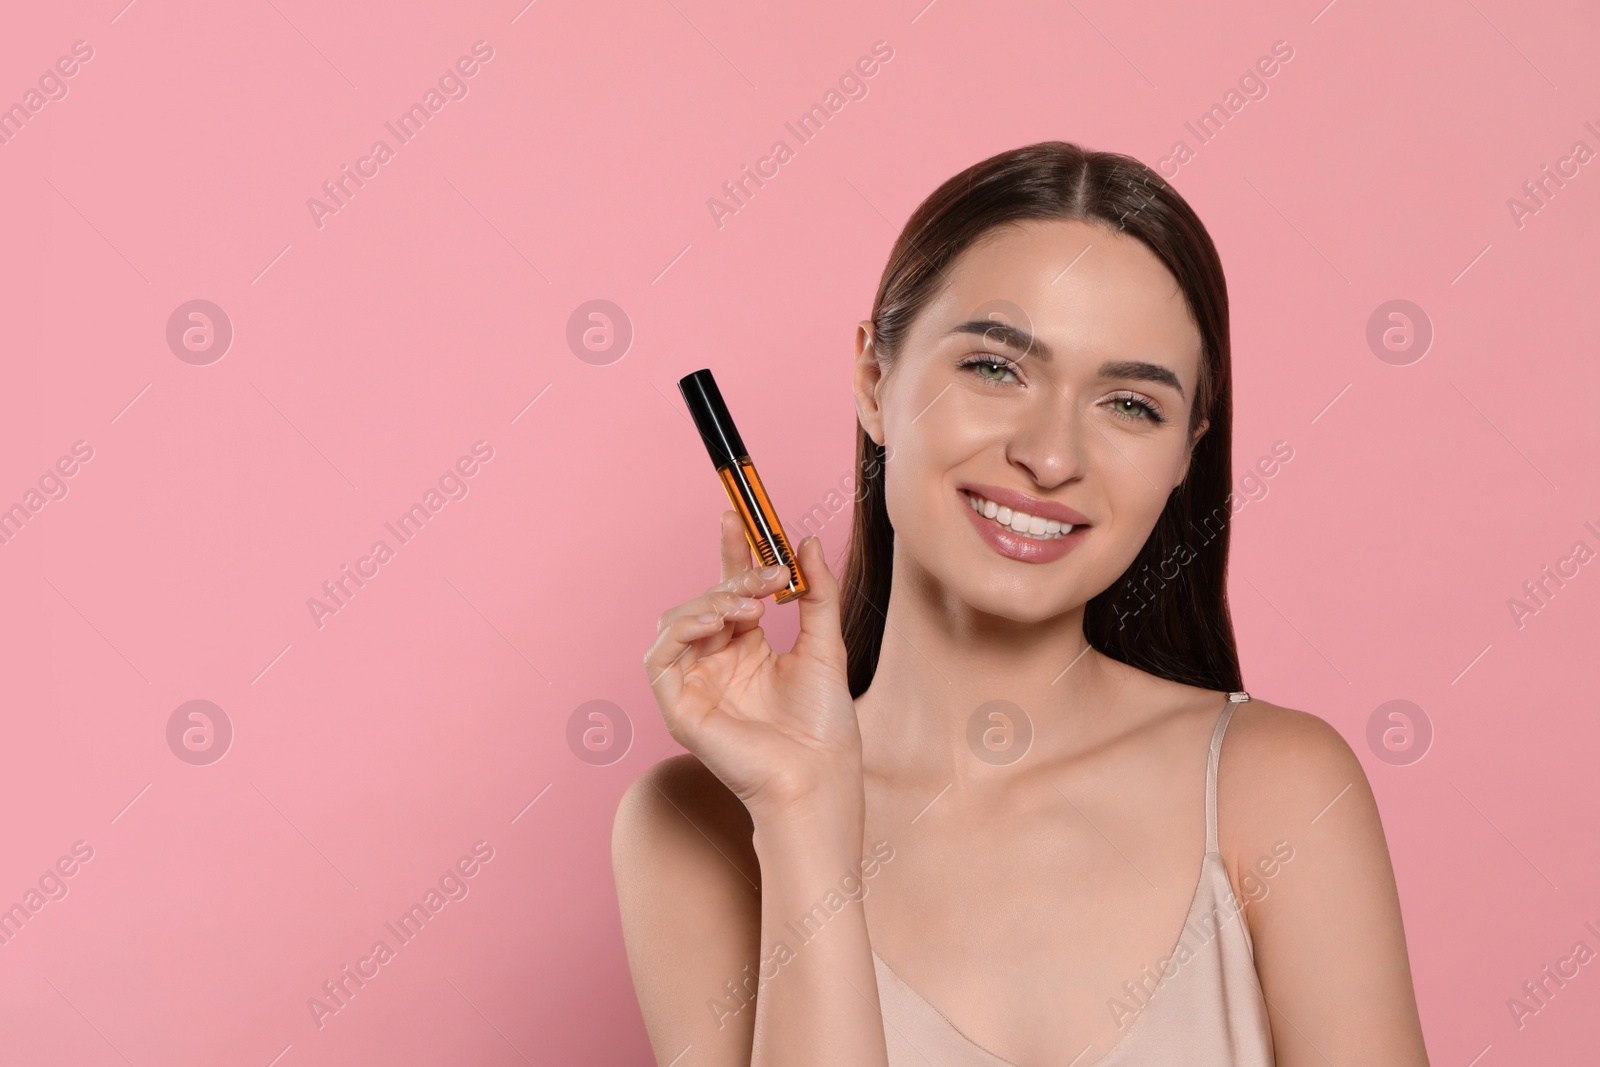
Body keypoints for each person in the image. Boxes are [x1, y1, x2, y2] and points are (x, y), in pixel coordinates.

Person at [613, 141, 1430, 1066]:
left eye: (1131, 404)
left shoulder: (1278, 789)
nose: (1050, 456)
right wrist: (800, 806)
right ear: (875, 381)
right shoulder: (696, 827)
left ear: (1185, 455)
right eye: (997, 368)